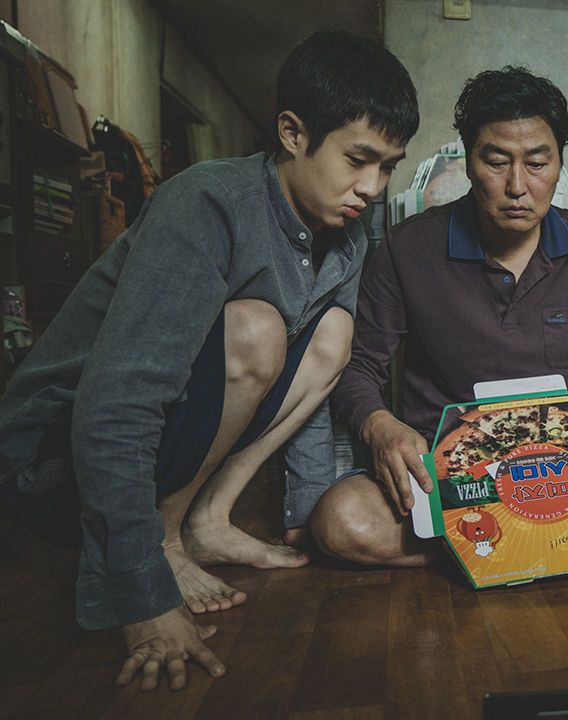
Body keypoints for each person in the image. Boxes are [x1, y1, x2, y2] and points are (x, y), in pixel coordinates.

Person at [0, 30, 418, 690]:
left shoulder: (347, 235)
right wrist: (141, 592)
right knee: (256, 328)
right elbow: (116, 404)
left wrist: (309, 517)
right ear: (292, 132)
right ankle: (166, 540)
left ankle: (206, 521)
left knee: (335, 333)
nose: (371, 186)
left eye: (388, 166)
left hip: (159, 448)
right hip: (54, 462)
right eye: (357, 159)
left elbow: (317, 385)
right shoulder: (206, 202)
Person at [310, 66, 568, 564]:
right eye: (497, 162)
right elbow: (359, 366)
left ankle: (492, 543)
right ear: (469, 163)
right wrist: (379, 426)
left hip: (566, 463)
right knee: (341, 520)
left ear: (559, 163)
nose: (518, 186)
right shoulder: (408, 248)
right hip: (454, 474)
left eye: (538, 163)